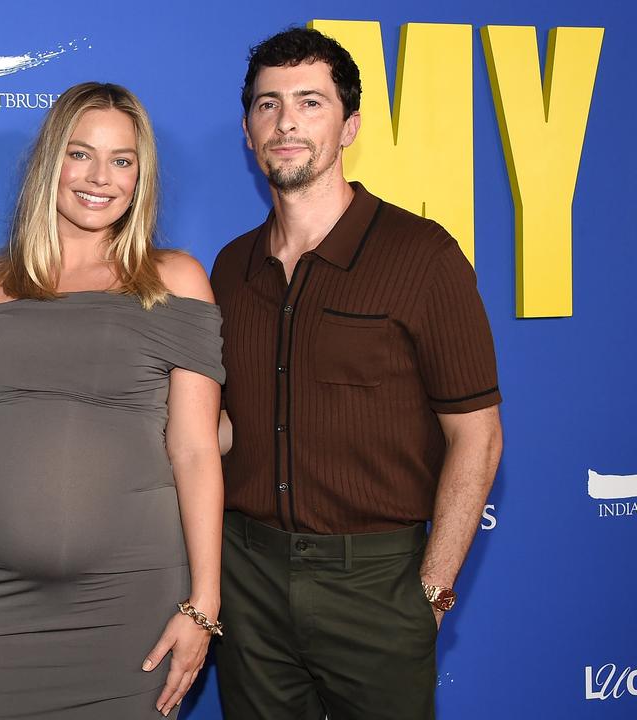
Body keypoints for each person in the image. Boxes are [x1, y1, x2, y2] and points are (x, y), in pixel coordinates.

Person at [210, 27, 504, 719]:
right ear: (249, 131)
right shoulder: (228, 269)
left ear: (350, 126)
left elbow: (478, 437)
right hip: (246, 580)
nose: (285, 123)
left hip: (375, 581)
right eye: (267, 104)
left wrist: (429, 592)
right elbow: (214, 429)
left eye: (310, 103)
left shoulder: (422, 256)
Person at [0, 82, 226, 719]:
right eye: (81, 154)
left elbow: (195, 448)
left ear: (141, 175)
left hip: (131, 606)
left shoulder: (176, 280)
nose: (100, 178)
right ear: (51, 163)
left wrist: (205, 603)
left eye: (122, 160)